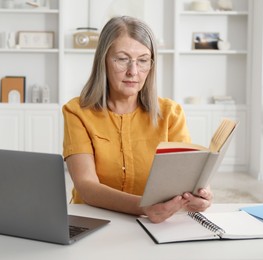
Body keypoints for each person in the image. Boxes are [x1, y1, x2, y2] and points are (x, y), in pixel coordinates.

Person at [62, 16, 213, 223]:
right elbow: (87, 187)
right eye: (122, 59)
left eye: (142, 61)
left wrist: (200, 194)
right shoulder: (77, 111)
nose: (133, 72)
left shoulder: (171, 113)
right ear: (103, 61)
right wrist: (143, 207)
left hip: (154, 224)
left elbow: (187, 177)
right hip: (91, 220)